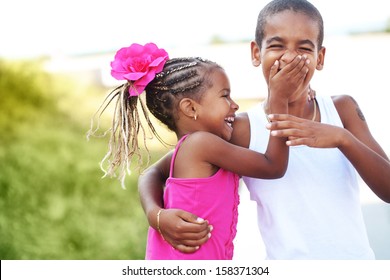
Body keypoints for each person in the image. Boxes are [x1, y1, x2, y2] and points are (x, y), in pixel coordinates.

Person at [137, 0, 390, 259]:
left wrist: (341, 138)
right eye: (277, 46)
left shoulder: (342, 110)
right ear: (257, 53)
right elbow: (154, 172)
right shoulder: (240, 129)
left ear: (320, 57)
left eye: (304, 47)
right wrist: (155, 215)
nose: (290, 57)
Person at [88, 42, 311, 259]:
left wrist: (155, 215)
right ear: (191, 108)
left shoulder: (194, 146)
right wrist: (280, 100)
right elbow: (273, 166)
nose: (234, 105)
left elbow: (150, 174)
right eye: (225, 95)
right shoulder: (202, 145)